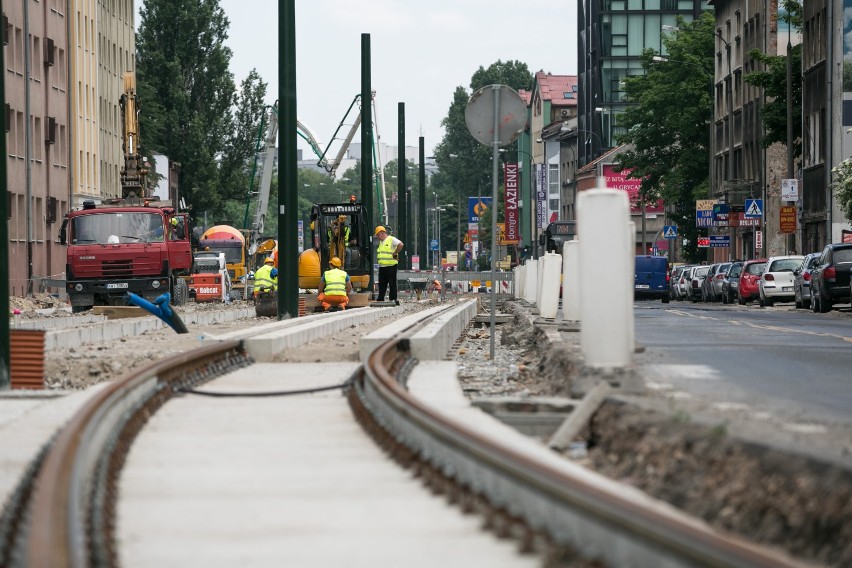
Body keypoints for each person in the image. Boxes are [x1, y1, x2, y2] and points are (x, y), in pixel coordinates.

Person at [375, 225, 403, 305]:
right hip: (382, 266)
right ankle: (381, 298)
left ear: (382, 233)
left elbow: (401, 244)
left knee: (392, 283)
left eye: (378, 235)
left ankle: (393, 299)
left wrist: (395, 253)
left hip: (391, 266)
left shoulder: (391, 239)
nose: (377, 237)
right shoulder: (381, 242)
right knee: (382, 283)